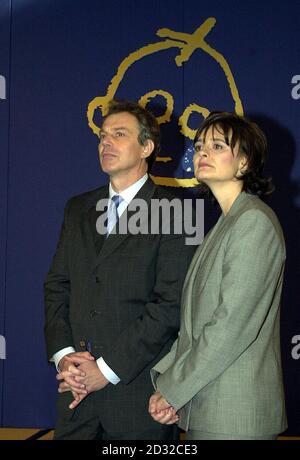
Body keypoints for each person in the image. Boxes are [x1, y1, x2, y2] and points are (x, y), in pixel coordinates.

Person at [44, 99, 195, 440]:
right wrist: (66, 358)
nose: (105, 142)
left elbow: (171, 305)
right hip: (76, 393)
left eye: (119, 134)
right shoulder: (78, 208)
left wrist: (106, 370)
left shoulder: (178, 211)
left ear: (147, 147)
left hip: (138, 396)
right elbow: (57, 285)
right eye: (102, 135)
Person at [148, 111, 287, 440]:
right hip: (209, 406)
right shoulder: (226, 225)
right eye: (198, 147)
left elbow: (228, 327)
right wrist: (171, 386)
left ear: (244, 163)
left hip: (236, 416)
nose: (203, 153)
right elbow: (194, 329)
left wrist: (173, 388)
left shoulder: (253, 223)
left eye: (218, 145)